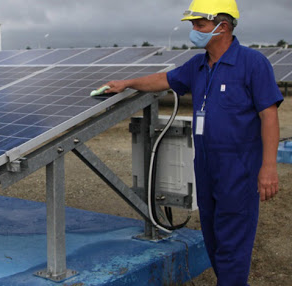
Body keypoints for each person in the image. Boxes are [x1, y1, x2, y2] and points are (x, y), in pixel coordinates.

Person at [101, 0, 283, 285]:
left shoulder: (252, 63)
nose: (194, 31)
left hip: (239, 169)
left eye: (200, 25)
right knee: (212, 235)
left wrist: (269, 167)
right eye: (193, 25)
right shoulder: (198, 65)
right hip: (206, 167)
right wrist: (127, 82)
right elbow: (163, 79)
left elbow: (269, 116)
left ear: (222, 26)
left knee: (233, 238)